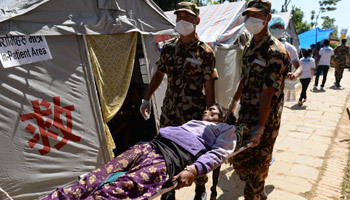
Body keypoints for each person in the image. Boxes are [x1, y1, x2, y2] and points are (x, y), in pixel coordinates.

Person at [43, 104, 238, 200]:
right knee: (95, 177)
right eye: (208, 109)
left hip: (166, 161)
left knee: (115, 191)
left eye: (214, 111)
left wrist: (194, 170)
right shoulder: (193, 123)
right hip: (148, 147)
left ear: (223, 118)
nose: (207, 112)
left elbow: (220, 152)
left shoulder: (224, 129)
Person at [139, 2, 218, 200]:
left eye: (187, 16)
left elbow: (209, 87)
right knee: (165, 151)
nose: (182, 20)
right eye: (179, 16)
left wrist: (210, 117)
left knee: (198, 151)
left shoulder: (206, 53)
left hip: (193, 113)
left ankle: (200, 188)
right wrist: (146, 99)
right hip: (170, 112)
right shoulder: (169, 48)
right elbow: (158, 75)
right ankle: (168, 192)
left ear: (197, 20)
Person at [228, 0, 291, 199]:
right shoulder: (249, 47)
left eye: (257, 16)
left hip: (266, 121)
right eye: (249, 16)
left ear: (268, 18)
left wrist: (261, 127)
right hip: (246, 116)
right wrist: (234, 102)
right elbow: (244, 78)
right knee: (238, 161)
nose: (251, 20)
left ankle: (256, 192)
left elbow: (268, 92)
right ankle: (258, 191)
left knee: (255, 174)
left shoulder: (275, 52)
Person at [269, 15, 303, 80]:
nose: (277, 29)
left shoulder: (289, 48)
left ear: (284, 29)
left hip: (282, 85)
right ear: (269, 28)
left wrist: (294, 75)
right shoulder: (264, 44)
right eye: (274, 26)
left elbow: (299, 67)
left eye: (280, 27)